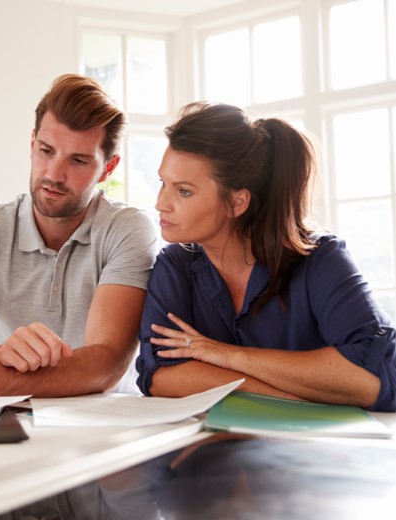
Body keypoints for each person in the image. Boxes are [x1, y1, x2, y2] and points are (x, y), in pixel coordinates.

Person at [137, 101, 396, 411]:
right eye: (162, 183)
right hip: (219, 451)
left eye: (184, 191)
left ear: (237, 202)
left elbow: (373, 380)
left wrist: (226, 355)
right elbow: (161, 377)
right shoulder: (175, 266)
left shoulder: (321, 259)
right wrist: (299, 397)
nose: (160, 204)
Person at [0, 73, 159, 397]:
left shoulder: (128, 229)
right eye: (46, 151)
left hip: (106, 424)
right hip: (12, 419)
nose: (53, 174)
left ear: (108, 168)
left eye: (78, 160)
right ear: (32, 144)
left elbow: (106, 366)